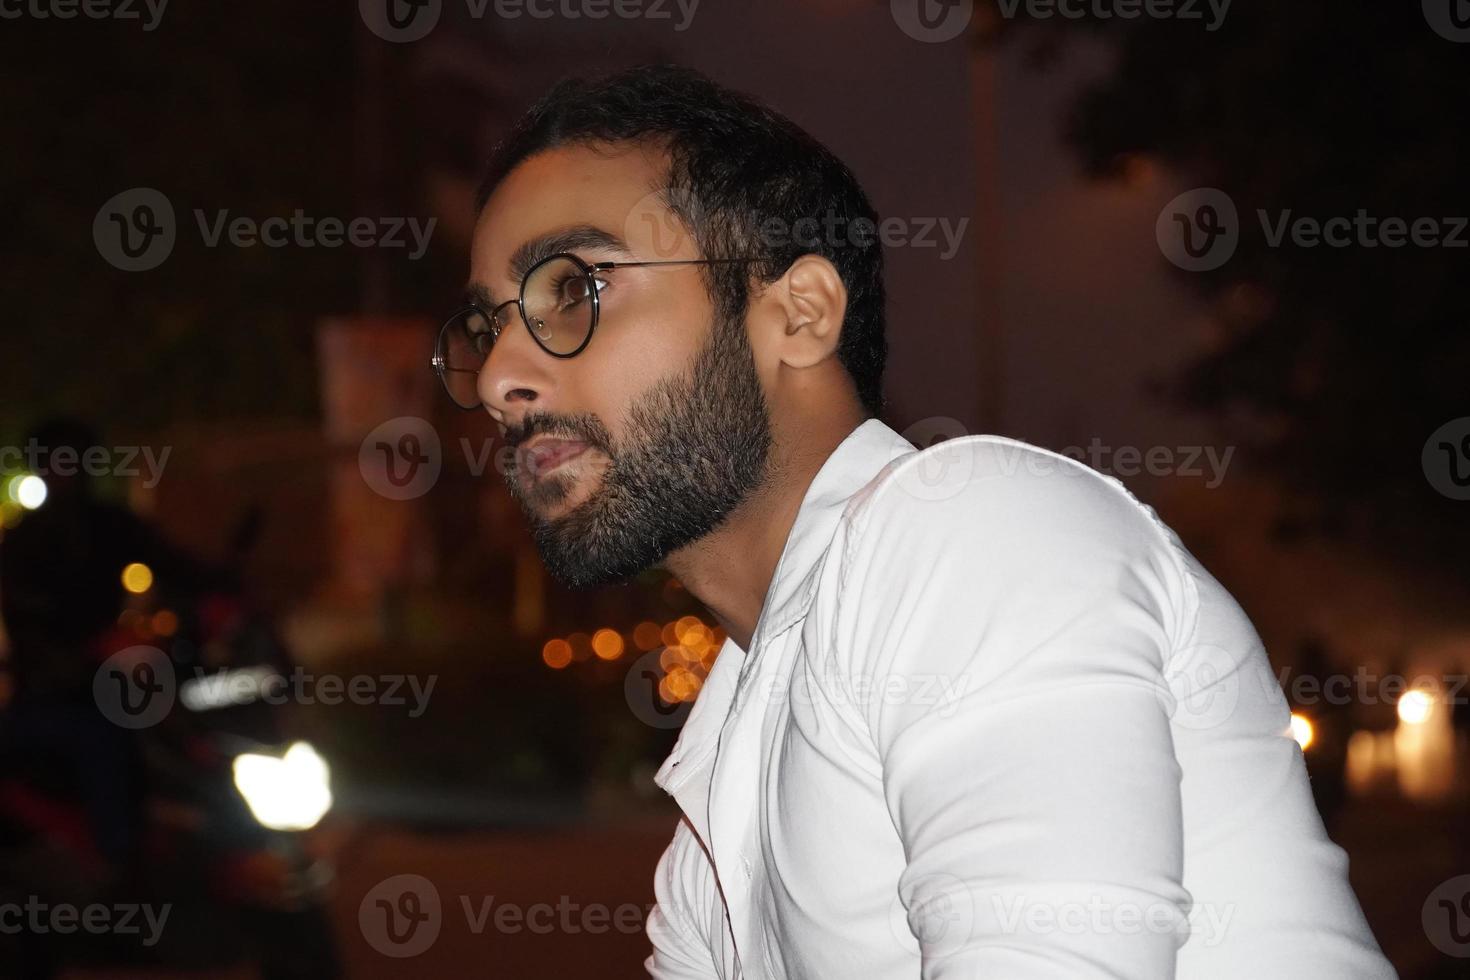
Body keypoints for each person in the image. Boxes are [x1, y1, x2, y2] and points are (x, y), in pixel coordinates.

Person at [437, 65, 1397, 978]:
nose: (496, 378)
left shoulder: (972, 532)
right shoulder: (732, 748)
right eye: (483, 330)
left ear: (800, 312)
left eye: (576, 287)